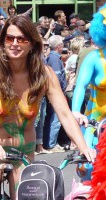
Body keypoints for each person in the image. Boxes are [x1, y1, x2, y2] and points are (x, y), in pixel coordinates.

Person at [0, 15, 95, 200]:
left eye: (21, 39)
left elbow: (65, 115)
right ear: (3, 42)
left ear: (32, 44)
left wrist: (84, 148)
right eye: (9, 38)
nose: (14, 43)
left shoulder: (44, 74)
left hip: (23, 152)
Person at [72, 4, 106, 184]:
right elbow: (80, 86)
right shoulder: (94, 58)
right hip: (95, 122)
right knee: (87, 167)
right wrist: (76, 112)